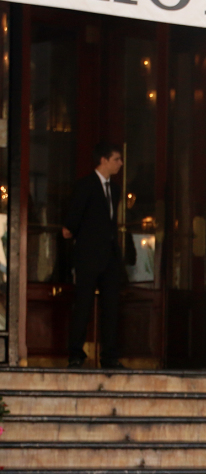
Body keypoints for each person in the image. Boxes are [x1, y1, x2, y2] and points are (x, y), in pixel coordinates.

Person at [61, 142, 125, 369]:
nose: (120, 163)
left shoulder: (115, 190)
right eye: (116, 159)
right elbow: (73, 220)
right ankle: (76, 354)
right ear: (104, 160)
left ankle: (109, 356)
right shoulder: (86, 185)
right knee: (84, 304)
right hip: (88, 256)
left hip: (109, 256)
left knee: (110, 306)